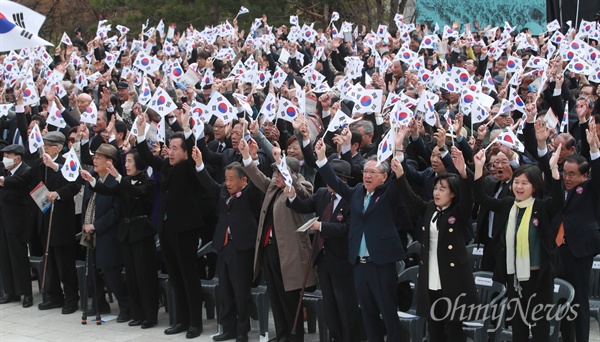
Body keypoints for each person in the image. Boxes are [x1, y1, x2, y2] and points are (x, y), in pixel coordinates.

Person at [313, 138, 404, 341]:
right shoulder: (356, 193)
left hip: (381, 264)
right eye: (365, 172)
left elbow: (399, 183)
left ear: (384, 177)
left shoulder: (388, 194)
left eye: (373, 173)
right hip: (359, 265)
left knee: (388, 314)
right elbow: (336, 182)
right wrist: (321, 159)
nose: (367, 176)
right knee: (368, 314)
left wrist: (398, 150)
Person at [472, 146, 563, 342]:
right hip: (514, 276)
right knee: (518, 327)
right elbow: (481, 198)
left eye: (524, 183)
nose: (519, 187)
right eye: (516, 182)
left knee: (539, 328)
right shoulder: (508, 204)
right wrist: (479, 168)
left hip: (538, 276)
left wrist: (554, 170)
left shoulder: (542, 206)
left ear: (535, 187)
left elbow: (558, 202)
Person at [392, 145, 478, 342]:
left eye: (442, 189)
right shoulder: (431, 207)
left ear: (453, 194)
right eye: (436, 188)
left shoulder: (458, 213)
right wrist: (400, 176)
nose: (437, 193)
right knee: (435, 328)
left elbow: (468, 199)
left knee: (454, 328)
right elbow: (412, 199)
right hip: (431, 275)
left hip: (452, 278)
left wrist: (463, 173)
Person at [238, 138, 316, 342]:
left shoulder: (301, 184)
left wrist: (288, 175)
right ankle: (281, 333)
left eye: (280, 172)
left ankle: (293, 336)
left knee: (289, 297)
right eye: (275, 172)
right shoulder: (273, 186)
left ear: (291, 173)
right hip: (270, 248)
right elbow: (258, 177)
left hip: (289, 252)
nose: (275, 176)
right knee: (275, 295)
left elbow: (305, 195)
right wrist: (247, 156)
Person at [135, 112, 204, 339]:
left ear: (186, 152)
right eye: (170, 147)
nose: (170, 151)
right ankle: (181, 320)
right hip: (166, 229)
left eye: (176, 148)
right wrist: (142, 131)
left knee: (188, 276)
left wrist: (185, 128)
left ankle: (195, 322)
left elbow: (193, 148)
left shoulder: (189, 167)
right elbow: (147, 157)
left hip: (185, 229)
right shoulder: (166, 166)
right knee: (175, 275)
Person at [0, 131, 81, 314]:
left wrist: (57, 190)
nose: (44, 148)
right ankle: (54, 296)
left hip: (61, 219)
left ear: (58, 148)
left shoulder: (66, 163)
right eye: (43, 145)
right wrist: (5, 180)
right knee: (49, 260)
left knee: (64, 262)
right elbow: (24, 179)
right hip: (43, 218)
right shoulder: (38, 164)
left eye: (48, 145)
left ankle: (71, 298)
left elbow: (74, 184)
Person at [81, 149, 159, 329]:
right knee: (131, 275)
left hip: (141, 231)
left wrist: (118, 178)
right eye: (126, 161)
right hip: (127, 232)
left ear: (139, 163)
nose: (127, 165)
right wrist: (91, 180)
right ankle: (137, 313)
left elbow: (136, 192)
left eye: (130, 161)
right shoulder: (122, 181)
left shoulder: (147, 181)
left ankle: (149, 315)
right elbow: (107, 190)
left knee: (143, 275)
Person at [286, 159, 361, 342]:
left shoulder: (352, 199)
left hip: (342, 260)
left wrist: (323, 227)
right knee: (330, 303)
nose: (328, 184)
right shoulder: (322, 194)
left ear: (343, 181)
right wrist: (292, 196)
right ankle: (335, 336)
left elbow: (348, 228)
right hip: (323, 258)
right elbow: (303, 206)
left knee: (345, 304)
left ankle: (350, 338)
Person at [192, 147, 260, 342]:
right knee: (225, 291)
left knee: (241, 292)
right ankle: (228, 328)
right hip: (223, 246)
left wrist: (250, 158)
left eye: (232, 179)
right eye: (226, 178)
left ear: (243, 180)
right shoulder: (222, 191)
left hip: (241, 248)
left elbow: (257, 184)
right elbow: (209, 184)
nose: (228, 183)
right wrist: (199, 164)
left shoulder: (250, 194)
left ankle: (242, 331)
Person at [79, 143, 129, 322]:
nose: (94, 160)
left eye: (98, 158)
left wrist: (97, 225)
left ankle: (126, 306)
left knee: (111, 273)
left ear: (110, 162)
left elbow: (115, 212)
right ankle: (99, 304)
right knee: (91, 271)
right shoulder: (92, 178)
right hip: (90, 232)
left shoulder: (114, 182)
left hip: (108, 234)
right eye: (94, 157)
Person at [0, 144, 34, 308]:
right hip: (4, 220)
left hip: (18, 221)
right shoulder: (6, 172)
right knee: (5, 255)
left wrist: (3, 181)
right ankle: (10, 291)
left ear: (18, 158)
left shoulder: (25, 170)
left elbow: (15, 183)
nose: (4, 160)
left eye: (7, 156)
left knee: (19, 256)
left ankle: (26, 292)